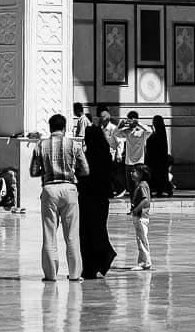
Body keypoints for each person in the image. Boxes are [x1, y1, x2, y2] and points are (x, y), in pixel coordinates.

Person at [31, 113, 89, 282]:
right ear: (64, 128)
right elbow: (85, 170)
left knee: (49, 234)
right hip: (69, 189)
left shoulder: (41, 145)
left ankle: (50, 275)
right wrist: (70, 171)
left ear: (50, 128)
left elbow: (34, 171)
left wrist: (48, 170)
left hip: (49, 190)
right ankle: (75, 274)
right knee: (71, 235)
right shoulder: (74, 145)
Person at [78, 125, 117, 279]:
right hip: (101, 200)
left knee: (86, 233)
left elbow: (82, 176)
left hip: (88, 198)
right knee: (98, 230)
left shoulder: (89, 155)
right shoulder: (106, 155)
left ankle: (95, 264)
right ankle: (94, 266)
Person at [115, 111, 153, 195]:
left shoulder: (142, 132)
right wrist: (120, 125)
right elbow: (116, 133)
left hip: (139, 163)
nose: (130, 122)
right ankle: (133, 203)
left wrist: (138, 123)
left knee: (139, 186)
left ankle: (139, 203)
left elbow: (150, 131)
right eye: (129, 120)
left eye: (132, 120)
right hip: (129, 162)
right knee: (130, 186)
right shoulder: (127, 131)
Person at [128, 165, 153, 270]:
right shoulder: (140, 185)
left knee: (142, 239)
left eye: (134, 172)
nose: (131, 173)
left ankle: (145, 262)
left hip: (141, 216)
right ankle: (143, 261)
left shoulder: (142, 185)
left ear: (141, 174)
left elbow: (145, 200)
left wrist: (136, 209)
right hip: (139, 216)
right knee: (140, 239)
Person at [97, 105, 125, 197]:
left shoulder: (113, 128)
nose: (101, 120)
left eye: (102, 118)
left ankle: (121, 189)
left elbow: (120, 142)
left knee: (113, 174)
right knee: (107, 174)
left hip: (113, 154)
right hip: (105, 154)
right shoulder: (101, 128)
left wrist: (119, 154)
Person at [145, 115, 173, 197]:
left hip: (156, 160)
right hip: (161, 160)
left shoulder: (157, 135)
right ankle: (163, 190)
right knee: (161, 176)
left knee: (157, 176)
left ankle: (160, 191)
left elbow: (152, 145)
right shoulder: (161, 133)